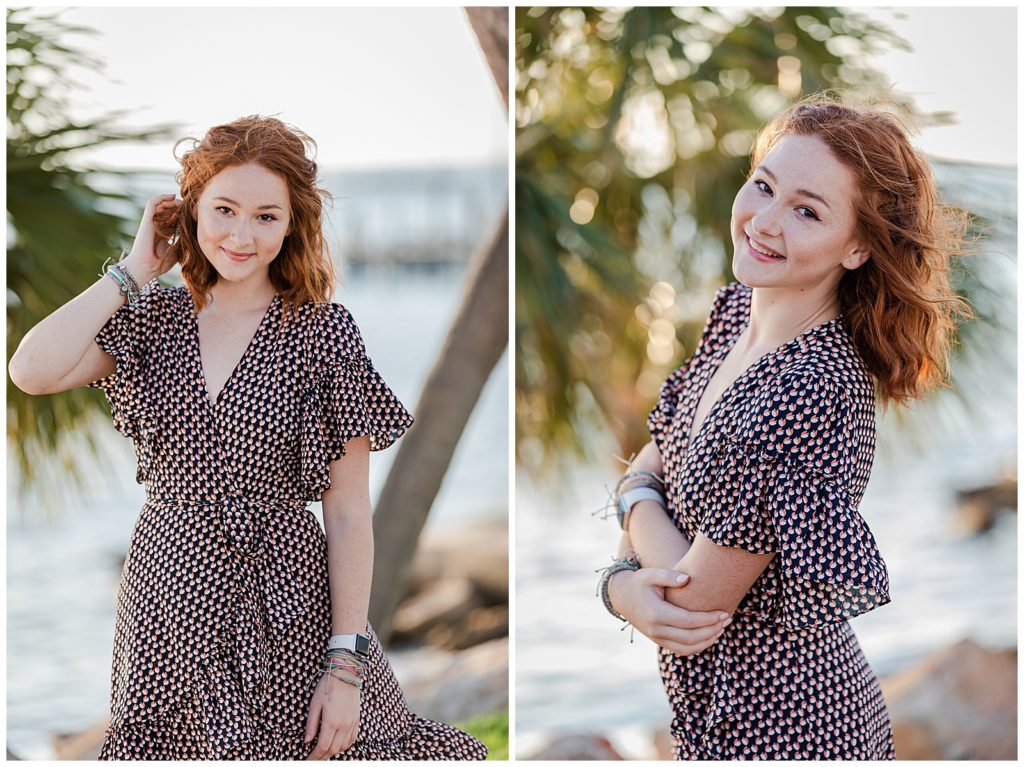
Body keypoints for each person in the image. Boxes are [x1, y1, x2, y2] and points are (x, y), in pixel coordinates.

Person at [9, 116, 487, 761]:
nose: (241, 235)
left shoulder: (323, 332)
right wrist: (132, 271)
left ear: (293, 224)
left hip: (290, 600)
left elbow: (346, 513)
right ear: (189, 211)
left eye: (266, 216)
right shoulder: (152, 321)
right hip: (168, 596)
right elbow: (30, 370)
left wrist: (345, 666)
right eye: (224, 210)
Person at [597, 96, 969, 760]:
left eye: (806, 210)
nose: (764, 222)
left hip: (794, 730)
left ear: (856, 247)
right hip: (717, 721)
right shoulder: (737, 311)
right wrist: (629, 558)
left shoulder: (811, 384)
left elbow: (693, 596)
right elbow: (658, 457)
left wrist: (625, 552)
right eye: (763, 186)